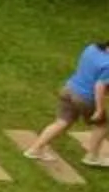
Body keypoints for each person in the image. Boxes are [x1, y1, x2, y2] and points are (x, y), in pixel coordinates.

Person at [25, 40, 109, 168]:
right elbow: (100, 86)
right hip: (85, 97)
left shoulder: (92, 48)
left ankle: (35, 149)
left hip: (69, 89)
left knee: (62, 122)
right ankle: (92, 157)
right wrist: (99, 109)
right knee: (102, 125)